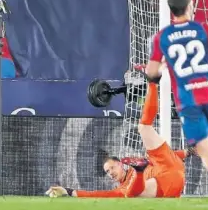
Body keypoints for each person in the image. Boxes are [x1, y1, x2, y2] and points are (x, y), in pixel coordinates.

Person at [47, 82, 194, 198]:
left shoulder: (141, 161)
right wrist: (68, 191)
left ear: (121, 164)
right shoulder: (122, 188)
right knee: (130, 194)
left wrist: (189, 152)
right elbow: (100, 195)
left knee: (143, 128)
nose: (110, 172)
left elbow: (169, 155)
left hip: (171, 167)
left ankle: (152, 82)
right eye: (107, 171)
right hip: (167, 185)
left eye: (111, 167)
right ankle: (140, 173)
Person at [145, 0, 208, 192]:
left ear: (171, 10)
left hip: (187, 99)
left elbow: (152, 71)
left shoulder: (162, 37)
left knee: (204, 150)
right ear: (190, 6)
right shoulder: (204, 27)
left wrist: (158, 73)